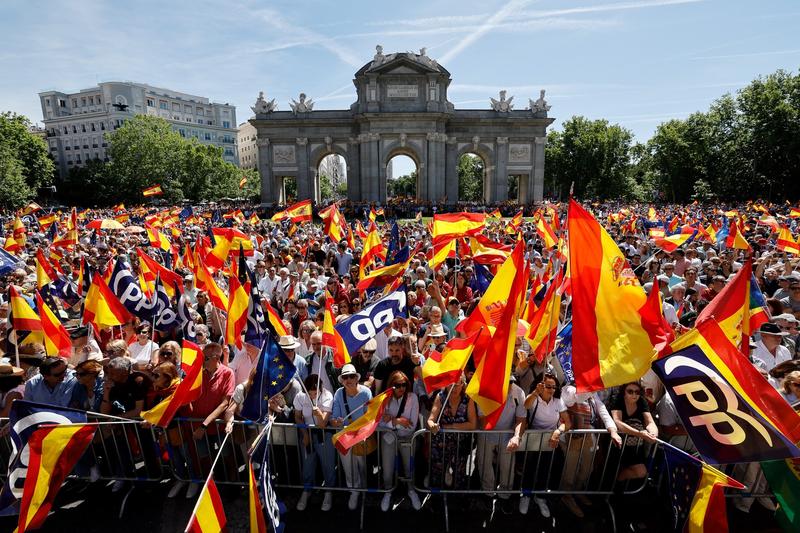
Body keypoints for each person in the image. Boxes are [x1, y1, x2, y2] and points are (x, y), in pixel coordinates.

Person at [519, 372, 570, 517]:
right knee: (530, 468)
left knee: (545, 469)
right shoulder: (535, 399)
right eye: (548, 386)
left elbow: (568, 422)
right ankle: (526, 495)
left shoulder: (558, 401)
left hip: (550, 440)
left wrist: (558, 432)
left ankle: (540, 497)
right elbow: (526, 404)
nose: (551, 389)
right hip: (534, 438)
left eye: (554, 387)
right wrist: (536, 392)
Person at [476, 375, 526, 513]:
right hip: (486, 433)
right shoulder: (484, 392)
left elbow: (521, 418)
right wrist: (496, 403)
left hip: (508, 434)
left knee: (507, 466)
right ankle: (488, 493)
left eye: (511, 382)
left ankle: (505, 496)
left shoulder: (519, 393)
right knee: (484, 463)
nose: (508, 385)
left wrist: (516, 436)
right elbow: (481, 420)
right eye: (505, 382)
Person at [330, 364, 372, 510]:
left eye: (351, 376)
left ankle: (364, 490)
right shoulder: (338, 393)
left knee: (362, 465)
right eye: (345, 377)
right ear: (342, 380)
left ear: (356, 378)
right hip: (345, 437)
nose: (349, 379)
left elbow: (369, 416)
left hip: (361, 436)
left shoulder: (366, 392)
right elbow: (334, 417)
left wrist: (363, 431)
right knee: (348, 467)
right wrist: (335, 421)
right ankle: (354, 491)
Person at [378, 370, 421, 511]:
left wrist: (391, 421)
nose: (401, 388)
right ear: (391, 385)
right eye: (397, 385)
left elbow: (412, 426)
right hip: (389, 438)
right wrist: (398, 421)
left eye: (403, 384)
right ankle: (388, 492)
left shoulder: (413, 398)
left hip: (407, 438)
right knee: (387, 469)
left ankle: (411, 490)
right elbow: (379, 424)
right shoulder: (384, 399)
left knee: (409, 467)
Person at [426, 373, 478, 490]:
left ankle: (457, 499)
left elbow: (472, 424)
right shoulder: (440, 397)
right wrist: (432, 425)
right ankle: (436, 498)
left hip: (460, 445)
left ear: (463, 384)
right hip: (440, 444)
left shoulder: (468, 399)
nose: (453, 388)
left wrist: (451, 426)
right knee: (437, 473)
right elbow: (431, 419)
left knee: (459, 475)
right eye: (450, 385)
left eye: (457, 384)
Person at [294, 374, 336, 512]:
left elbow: (323, 423)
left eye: (315, 392)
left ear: (320, 389)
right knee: (307, 465)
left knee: (328, 465)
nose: (312, 395)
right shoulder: (300, 396)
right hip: (307, 434)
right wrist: (305, 434)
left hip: (324, 435)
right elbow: (298, 417)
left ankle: (328, 492)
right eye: (309, 393)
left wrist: (318, 414)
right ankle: (306, 491)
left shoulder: (327, 396)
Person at [610, 381, 658, 482]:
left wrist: (653, 433)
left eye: (637, 392)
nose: (634, 394)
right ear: (624, 392)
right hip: (617, 444)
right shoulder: (618, 400)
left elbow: (650, 422)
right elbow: (617, 422)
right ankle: (612, 490)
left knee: (641, 471)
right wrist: (640, 433)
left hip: (635, 446)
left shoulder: (642, 401)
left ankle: (618, 485)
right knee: (609, 470)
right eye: (630, 391)